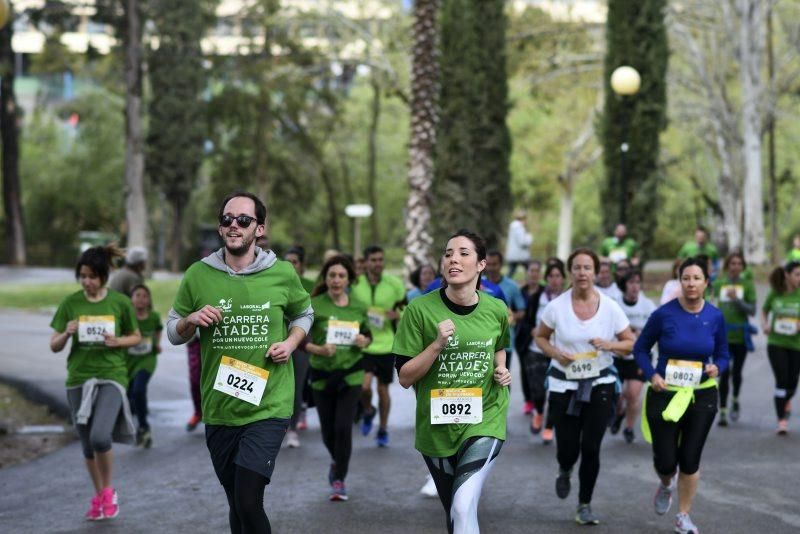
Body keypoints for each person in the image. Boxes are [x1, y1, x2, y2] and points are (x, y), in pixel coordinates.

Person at [166, 191, 314, 534]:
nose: (234, 225)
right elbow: (174, 332)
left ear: (259, 229)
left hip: (269, 404)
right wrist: (191, 319)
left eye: (243, 220)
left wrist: (291, 343)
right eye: (227, 219)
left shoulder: (282, 273)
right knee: (236, 501)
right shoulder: (197, 275)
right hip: (219, 407)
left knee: (248, 499)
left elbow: (304, 313)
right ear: (220, 229)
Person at [394, 229, 511, 534]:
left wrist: (502, 369)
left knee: (463, 504)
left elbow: (499, 347)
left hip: (485, 416)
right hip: (437, 427)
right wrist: (435, 345)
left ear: (481, 264)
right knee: (456, 511)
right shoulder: (419, 310)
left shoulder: (496, 309)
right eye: (448, 254)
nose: (453, 259)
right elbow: (405, 377)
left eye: (463, 253)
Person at [534, 248, 634, 525]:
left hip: (599, 383)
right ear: (570, 272)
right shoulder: (556, 306)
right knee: (568, 448)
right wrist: (555, 353)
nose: (582, 273)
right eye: (577, 268)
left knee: (591, 447)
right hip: (563, 384)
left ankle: (584, 504)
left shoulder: (611, 306)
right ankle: (565, 468)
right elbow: (540, 336)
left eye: (587, 268)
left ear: (596, 272)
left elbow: (630, 343)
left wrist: (610, 344)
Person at [633, 257, 729, 534]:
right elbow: (640, 348)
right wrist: (652, 374)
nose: (691, 283)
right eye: (686, 278)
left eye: (696, 278)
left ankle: (683, 516)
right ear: (679, 281)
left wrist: (717, 367)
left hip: (701, 395)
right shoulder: (663, 314)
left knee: (690, 459)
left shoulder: (714, 316)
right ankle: (666, 484)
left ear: (706, 282)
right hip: (665, 394)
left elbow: (723, 353)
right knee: (665, 461)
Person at [50, 245, 141, 521]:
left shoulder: (120, 303)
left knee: (100, 436)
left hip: (111, 375)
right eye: (82, 276)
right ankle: (100, 494)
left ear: (103, 275)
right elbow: (54, 346)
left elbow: (136, 337)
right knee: (87, 444)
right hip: (78, 378)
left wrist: (118, 341)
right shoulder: (71, 303)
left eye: (91, 276)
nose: (87, 282)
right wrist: (66, 333)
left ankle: (109, 490)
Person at [305, 255, 371, 501]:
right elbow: (300, 339)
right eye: (332, 275)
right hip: (322, 376)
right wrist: (319, 350)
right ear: (326, 278)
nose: (336, 280)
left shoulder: (358, 305)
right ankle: (336, 460)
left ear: (349, 279)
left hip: (351, 374)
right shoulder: (314, 304)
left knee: (343, 428)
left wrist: (364, 340)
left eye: (341, 276)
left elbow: (367, 334)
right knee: (328, 433)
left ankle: (339, 479)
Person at [350, 245, 406, 447]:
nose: (378, 264)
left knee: (383, 390)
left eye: (380, 259)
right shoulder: (356, 284)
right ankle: (368, 410)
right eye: (373, 260)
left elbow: (405, 306)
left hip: (385, 344)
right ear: (366, 263)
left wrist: (398, 314)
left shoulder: (394, 284)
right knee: (363, 387)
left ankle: (382, 428)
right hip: (363, 343)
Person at [521, 262, 566, 444]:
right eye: (551, 276)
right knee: (538, 392)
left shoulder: (568, 298)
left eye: (558, 276)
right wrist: (532, 330)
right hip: (536, 350)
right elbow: (526, 321)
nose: (555, 280)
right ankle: (539, 412)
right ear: (546, 278)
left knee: (556, 394)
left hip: (560, 352)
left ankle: (549, 426)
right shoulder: (537, 297)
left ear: (563, 278)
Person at [610, 270, 656, 443]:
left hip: (640, 356)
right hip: (617, 355)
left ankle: (629, 428)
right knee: (618, 395)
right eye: (631, 283)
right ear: (624, 285)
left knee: (633, 394)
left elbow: (655, 329)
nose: (635, 286)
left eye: (638, 282)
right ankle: (619, 413)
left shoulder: (648, 305)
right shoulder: (615, 304)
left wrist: (641, 332)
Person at [712, 252, 756, 426]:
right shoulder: (719, 284)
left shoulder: (747, 285)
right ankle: (722, 410)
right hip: (723, 336)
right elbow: (710, 302)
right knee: (724, 373)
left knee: (736, 372)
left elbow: (752, 310)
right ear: (727, 265)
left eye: (739, 263)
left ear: (742, 267)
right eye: (732, 263)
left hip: (740, 336)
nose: (735, 266)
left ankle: (735, 398)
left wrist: (736, 299)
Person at [761, 261, 800, 435]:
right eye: (797, 274)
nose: (799, 278)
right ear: (787, 275)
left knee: (792, 383)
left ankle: (786, 399)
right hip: (776, 343)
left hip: (796, 345)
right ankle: (781, 420)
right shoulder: (776, 293)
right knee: (782, 380)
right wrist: (765, 325)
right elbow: (764, 310)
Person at [284, 246, 316, 447]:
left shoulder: (312, 286)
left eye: (294, 262)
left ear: (302, 265)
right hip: (276, 341)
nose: (290, 266)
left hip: (302, 343)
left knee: (295, 387)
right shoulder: (274, 283)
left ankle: (292, 429)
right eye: (287, 262)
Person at [126, 285, 163, 448]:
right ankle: (141, 427)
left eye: (144, 296)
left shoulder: (154, 316)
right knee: (130, 396)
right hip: (128, 361)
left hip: (147, 360)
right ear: (131, 299)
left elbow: (158, 329)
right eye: (137, 295)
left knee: (138, 390)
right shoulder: (126, 317)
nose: (141, 299)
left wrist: (157, 343)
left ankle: (144, 426)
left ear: (149, 300)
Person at [516, 261, 543, 415]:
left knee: (541, 370)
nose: (533, 274)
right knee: (526, 370)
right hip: (524, 337)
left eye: (536, 271)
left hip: (542, 335)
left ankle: (540, 398)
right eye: (531, 271)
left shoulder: (545, 292)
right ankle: (529, 401)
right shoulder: (520, 292)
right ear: (527, 273)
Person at [505, 209, 533, 279]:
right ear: (523, 219)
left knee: (512, 271)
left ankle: (503, 284)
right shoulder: (518, 227)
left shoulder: (514, 226)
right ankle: (529, 284)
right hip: (520, 255)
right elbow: (522, 242)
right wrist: (529, 238)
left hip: (515, 254)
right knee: (530, 269)